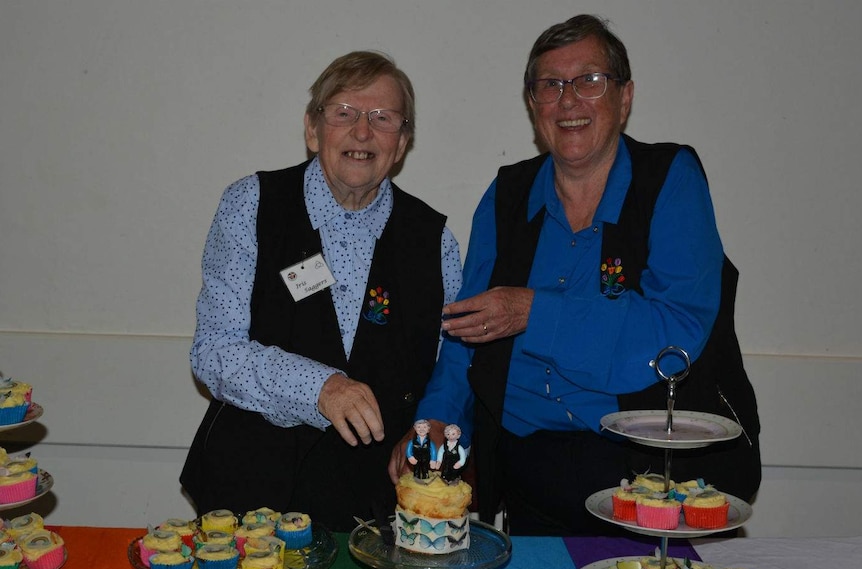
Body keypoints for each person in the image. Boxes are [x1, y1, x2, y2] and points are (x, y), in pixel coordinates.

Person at [388, 15, 760, 535]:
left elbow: (672, 333)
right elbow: (465, 336)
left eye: (589, 81)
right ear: (532, 104)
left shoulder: (670, 180)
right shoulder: (506, 195)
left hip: (647, 488)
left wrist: (532, 312)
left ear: (624, 98)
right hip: (525, 480)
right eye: (550, 86)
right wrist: (434, 421)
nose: (568, 101)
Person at [180, 51, 462, 532]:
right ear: (313, 130)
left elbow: (451, 368)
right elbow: (213, 352)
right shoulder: (251, 205)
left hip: (375, 506)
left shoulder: (435, 241)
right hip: (252, 495)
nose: (362, 131)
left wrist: (434, 428)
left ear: (402, 143)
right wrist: (321, 387)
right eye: (344, 113)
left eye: (382, 118)